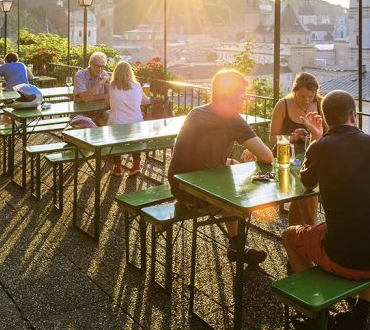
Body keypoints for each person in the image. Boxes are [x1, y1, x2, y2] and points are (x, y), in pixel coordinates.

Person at [282, 90, 370, 329]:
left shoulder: (322, 147)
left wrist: (317, 139)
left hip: (346, 259)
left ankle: (316, 309)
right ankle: (360, 311)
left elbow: (306, 184)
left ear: (325, 119)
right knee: (366, 227)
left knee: (289, 236)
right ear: (353, 115)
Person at [168, 70, 274, 266]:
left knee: (232, 168)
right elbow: (267, 156)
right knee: (238, 190)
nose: (245, 96)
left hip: (178, 188)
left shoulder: (197, 112)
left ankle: (235, 244)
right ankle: (237, 244)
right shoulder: (231, 117)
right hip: (198, 197)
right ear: (228, 94)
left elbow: (198, 156)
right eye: (241, 92)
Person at [269, 72, 322, 225]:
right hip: (286, 157)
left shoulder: (320, 104)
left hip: (312, 154)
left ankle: (298, 233)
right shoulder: (283, 105)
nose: (307, 101)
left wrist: (311, 135)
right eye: (302, 96)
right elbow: (272, 137)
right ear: (294, 92)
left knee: (304, 187)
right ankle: (310, 229)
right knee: (305, 187)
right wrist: (290, 138)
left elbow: (326, 135)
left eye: (310, 96)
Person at [105, 61, 150, 176]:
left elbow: (107, 103)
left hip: (117, 122)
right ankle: (136, 165)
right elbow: (146, 102)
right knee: (135, 140)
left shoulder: (112, 85)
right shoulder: (137, 85)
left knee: (116, 141)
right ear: (130, 72)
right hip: (135, 122)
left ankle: (118, 166)